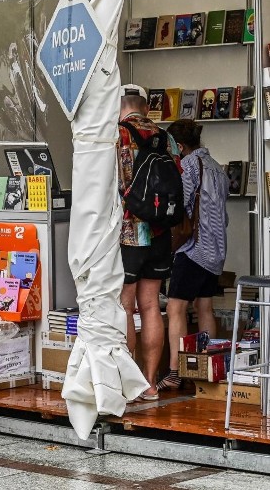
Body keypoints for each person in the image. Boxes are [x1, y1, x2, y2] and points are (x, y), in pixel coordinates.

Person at [117, 84, 180, 401]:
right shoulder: (166, 138)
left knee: (126, 307)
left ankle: (128, 385)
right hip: (160, 232)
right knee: (151, 305)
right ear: (144, 105)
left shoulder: (120, 136)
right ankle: (150, 383)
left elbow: (113, 185)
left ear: (120, 106)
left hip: (130, 233)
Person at [158, 119, 228, 391]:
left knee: (176, 308)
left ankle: (175, 371)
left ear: (180, 146)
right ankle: (207, 368)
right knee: (205, 306)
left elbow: (181, 205)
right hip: (216, 249)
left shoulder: (188, 166)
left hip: (193, 249)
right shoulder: (218, 169)